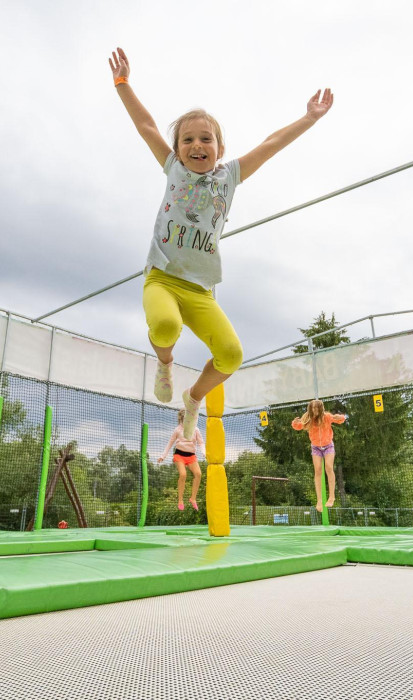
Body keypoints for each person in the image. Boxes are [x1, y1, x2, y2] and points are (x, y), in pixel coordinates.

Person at [109, 47, 334, 439]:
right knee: (165, 326)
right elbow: (146, 126)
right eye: (187, 140)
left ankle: (193, 399)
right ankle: (165, 363)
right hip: (163, 278)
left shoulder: (229, 177)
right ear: (177, 150)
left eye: (206, 139)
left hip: (201, 290)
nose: (197, 145)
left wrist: (309, 118)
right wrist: (123, 84)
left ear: (220, 149)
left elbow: (271, 143)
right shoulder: (173, 168)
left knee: (231, 355)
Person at [292, 399, 346, 512]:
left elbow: (340, 420)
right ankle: (319, 500)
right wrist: (295, 423)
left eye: (316, 408)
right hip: (316, 447)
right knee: (317, 471)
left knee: (329, 467)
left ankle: (331, 497)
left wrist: (340, 417)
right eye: (312, 408)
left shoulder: (326, 417)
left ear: (320, 408)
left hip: (328, 446)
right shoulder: (308, 419)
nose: (314, 410)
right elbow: (298, 426)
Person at [158, 409, 205, 511]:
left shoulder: (195, 429)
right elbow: (170, 443)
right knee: (183, 474)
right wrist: (163, 456)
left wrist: (204, 452)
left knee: (198, 474)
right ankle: (180, 500)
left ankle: (193, 499)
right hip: (179, 455)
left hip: (191, 455)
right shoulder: (178, 430)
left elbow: (201, 443)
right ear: (181, 419)